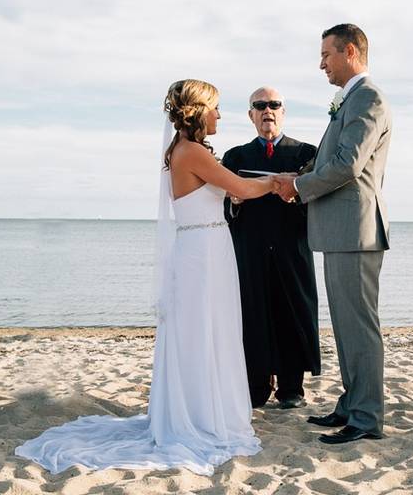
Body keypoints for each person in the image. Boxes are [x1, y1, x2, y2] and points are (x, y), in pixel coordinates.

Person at [17, 79, 279, 475]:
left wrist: (242, 190)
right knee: (205, 330)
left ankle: (204, 408)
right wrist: (278, 182)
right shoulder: (191, 151)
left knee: (206, 330)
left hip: (204, 249)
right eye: (215, 107)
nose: (219, 115)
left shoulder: (182, 150)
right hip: (204, 254)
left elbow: (223, 192)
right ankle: (205, 417)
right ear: (197, 111)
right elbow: (241, 186)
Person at [274, 24, 391, 445]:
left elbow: (347, 165)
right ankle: (351, 402)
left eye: (326, 54)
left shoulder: (368, 98)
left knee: (359, 327)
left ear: (351, 52)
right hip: (339, 231)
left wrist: (300, 188)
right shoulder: (351, 100)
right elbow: (331, 159)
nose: (321, 63)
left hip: (355, 231)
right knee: (344, 326)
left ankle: (366, 416)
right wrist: (298, 175)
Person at [222, 86, 320, 410]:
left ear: (283, 111)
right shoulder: (236, 157)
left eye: (274, 104)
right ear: (250, 114)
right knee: (253, 316)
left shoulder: (307, 153)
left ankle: (292, 387)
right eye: (260, 105)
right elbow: (223, 208)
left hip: (292, 250)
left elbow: (319, 202)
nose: (268, 110)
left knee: (292, 313)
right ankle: (256, 385)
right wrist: (233, 200)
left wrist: (297, 194)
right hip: (249, 251)